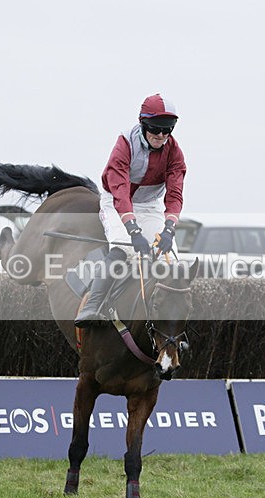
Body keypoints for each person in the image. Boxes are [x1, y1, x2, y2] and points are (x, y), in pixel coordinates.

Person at [74, 93, 187, 328]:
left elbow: (175, 195)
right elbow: (120, 192)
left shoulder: (174, 152)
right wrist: (134, 231)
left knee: (172, 261)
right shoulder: (125, 144)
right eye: (155, 128)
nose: (161, 135)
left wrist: (169, 229)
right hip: (116, 201)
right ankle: (92, 306)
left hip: (150, 205)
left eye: (167, 129)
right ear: (143, 123)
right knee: (123, 250)